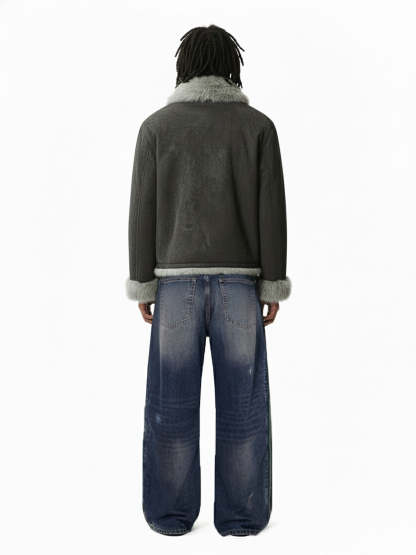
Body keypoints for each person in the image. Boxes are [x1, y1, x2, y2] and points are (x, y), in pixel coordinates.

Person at [126, 24, 291, 537]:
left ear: (184, 66)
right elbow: (272, 211)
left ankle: (170, 517)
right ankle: (241, 518)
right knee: (244, 407)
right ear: (231, 66)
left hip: (174, 286)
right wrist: (272, 282)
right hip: (240, 288)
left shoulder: (156, 128)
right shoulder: (258, 127)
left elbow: (142, 212)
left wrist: (142, 282)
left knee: (170, 406)